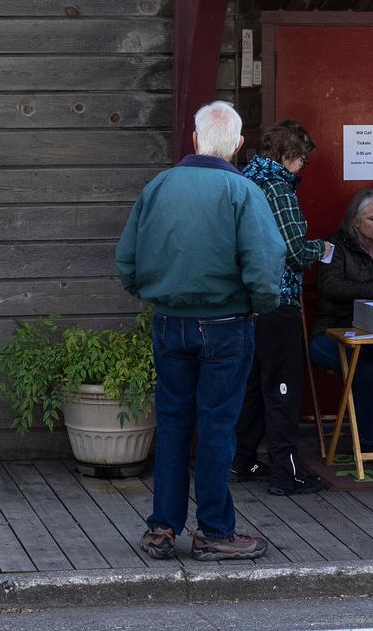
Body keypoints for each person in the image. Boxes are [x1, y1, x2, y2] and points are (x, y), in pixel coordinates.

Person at [114, 101, 283, 562]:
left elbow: (126, 259)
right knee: (216, 427)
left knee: (171, 425)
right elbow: (267, 267)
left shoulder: (159, 186)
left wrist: (155, 295)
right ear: (239, 146)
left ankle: (163, 528)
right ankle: (213, 531)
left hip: (169, 321)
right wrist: (257, 306)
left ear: (193, 140)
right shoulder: (242, 191)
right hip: (227, 325)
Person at [232, 119, 332, 497]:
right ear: (289, 155)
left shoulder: (245, 181)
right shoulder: (278, 188)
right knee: (283, 387)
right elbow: (291, 249)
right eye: (303, 160)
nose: (303, 167)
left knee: (256, 385)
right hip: (277, 300)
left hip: (247, 302)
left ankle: (241, 459)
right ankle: (285, 471)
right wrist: (319, 250)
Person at [310, 188, 373, 452]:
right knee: (366, 368)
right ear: (355, 221)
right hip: (332, 332)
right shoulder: (333, 247)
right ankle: (366, 442)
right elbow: (330, 285)